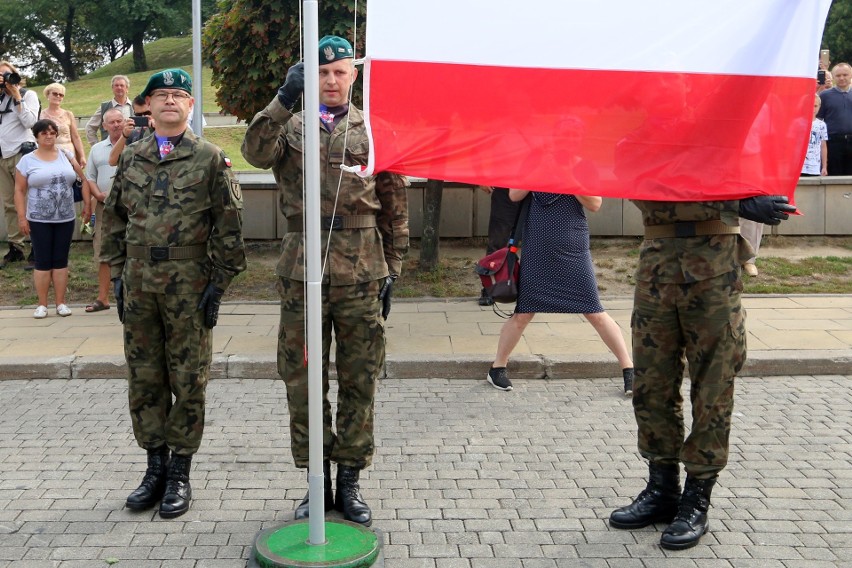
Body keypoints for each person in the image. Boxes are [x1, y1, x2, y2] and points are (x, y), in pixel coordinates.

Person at [241, 35, 409, 527]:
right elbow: (253, 152)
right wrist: (283, 98)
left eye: (339, 71)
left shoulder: (373, 128)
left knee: (359, 379)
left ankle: (350, 480)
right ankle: (316, 481)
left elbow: (395, 203)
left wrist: (393, 267)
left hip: (362, 271)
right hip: (302, 270)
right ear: (307, 76)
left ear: (353, 75)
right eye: (321, 72)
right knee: (304, 380)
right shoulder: (288, 123)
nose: (330, 80)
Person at [607, 196, 796, 550]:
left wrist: (745, 199)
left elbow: (760, 172)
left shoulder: (727, 145)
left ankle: (696, 498)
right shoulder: (639, 143)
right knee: (651, 386)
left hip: (714, 272)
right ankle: (662, 489)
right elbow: (629, 180)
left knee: (713, 388)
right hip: (657, 271)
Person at [100, 69, 246, 519]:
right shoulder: (132, 156)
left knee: (188, 378)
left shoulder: (210, 158)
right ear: (146, 105)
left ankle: (180, 472)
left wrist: (218, 284)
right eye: (160, 95)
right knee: (144, 378)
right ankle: (154, 468)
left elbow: (230, 227)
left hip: (188, 284)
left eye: (178, 95)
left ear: (190, 106)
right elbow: (114, 217)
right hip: (141, 282)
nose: (169, 101)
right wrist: (118, 275)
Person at [485, 187, 634, 395]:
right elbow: (513, 195)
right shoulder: (534, 164)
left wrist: (568, 178)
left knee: (594, 311)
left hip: (574, 250)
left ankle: (629, 370)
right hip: (537, 250)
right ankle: (497, 368)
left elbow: (595, 204)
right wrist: (537, 173)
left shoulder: (577, 168)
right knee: (524, 313)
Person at [14, 119, 92, 318]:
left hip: (64, 217)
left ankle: (60, 303)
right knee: (42, 261)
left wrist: (87, 204)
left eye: (52, 132)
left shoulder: (66, 155)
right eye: (44, 133)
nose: (49, 136)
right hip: (39, 218)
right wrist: (22, 218)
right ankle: (42, 304)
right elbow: (19, 190)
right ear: (37, 136)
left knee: (60, 260)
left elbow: (82, 179)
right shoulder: (27, 160)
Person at [83, 108, 125, 312]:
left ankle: (132, 298)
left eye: (120, 121)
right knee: (103, 251)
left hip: (130, 207)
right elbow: (89, 176)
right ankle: (103, 298)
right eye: (112, 122)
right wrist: (97, 195)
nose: (117, 125)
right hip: (104, 207)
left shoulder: (137, 145)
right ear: (105, 126)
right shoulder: (97, 149)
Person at [0, 60, 39, 268]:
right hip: (2, 156)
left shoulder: (27, 95)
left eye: (7, 75)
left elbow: (31, 122)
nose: (4, 80)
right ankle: (16, 247)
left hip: (22, 154)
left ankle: (36, 245)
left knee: (30, 200)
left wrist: (16, 96)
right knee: (8, 203)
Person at [478, 186, 520, 306]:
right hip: (506, 185)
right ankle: (491, 288)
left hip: (537, 189)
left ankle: (534, 290)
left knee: (537, 242)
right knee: (498, 240)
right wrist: (481, 178)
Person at [39, 83, 86, 167]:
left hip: (68, 153)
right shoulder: (40, 115)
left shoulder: (68, 114)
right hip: (48, 153)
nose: (58, 96)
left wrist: (82, 156)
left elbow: (76, 137)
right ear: (48, 95)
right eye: (55, 93)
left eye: (61, 95)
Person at [817, 62, 852, 175]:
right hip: (833, 143)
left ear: (851, 75)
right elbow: (816, 118)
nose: (842, 78)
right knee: (834, 175)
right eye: (838, 75)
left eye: (845, 75)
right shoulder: (825, 96)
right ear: (833, 77)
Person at [85, 75, 132, 145]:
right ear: (112, 88)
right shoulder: (104, 107)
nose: (119, 88)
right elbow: (90, 127)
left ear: (127, 88)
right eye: (116, 85)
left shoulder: (134, 106)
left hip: (131, 148)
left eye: (122, 85)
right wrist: (97, 147)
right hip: (110, 151)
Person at [108, 95, 153, 167]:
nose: (143, 117)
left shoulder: (168, 131)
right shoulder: (134, 134)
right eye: (138, 114)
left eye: (147, 113)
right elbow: (112, 161)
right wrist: (124, 135)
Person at [803, 95, 829, 178]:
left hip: (815, 167)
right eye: (810, 105)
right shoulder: (797, 123)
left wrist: (824, 166)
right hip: (800, 167)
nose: (813, 109)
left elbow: (823, 146)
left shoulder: (822, 125)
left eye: (815, 106)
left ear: (819, 107)